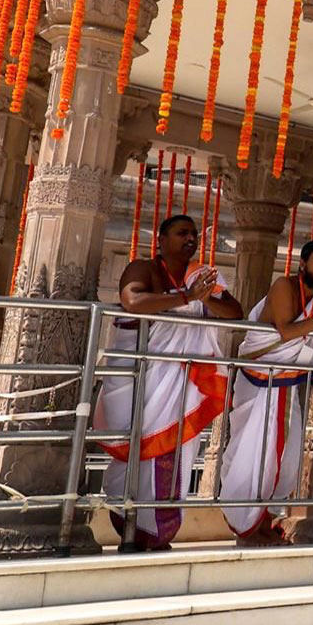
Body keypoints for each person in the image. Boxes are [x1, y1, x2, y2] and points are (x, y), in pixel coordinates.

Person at [96, 214, 244, 551]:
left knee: (176, 454)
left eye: (193, 234)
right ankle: (131, 528)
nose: (190, 239)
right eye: (181, 233)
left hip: (180, 385)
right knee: (137, 447)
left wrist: (204, 297)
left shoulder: (201, 276)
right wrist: (186, 297)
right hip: (143, 379)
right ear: (161, 239)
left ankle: (157, 533)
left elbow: (235, 313)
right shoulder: (142, 268)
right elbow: (132, 300)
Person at [219, 239, 313, 544]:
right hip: (259, 378)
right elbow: (286, 331)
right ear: (302, 265)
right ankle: (246, 524)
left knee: (284, 455)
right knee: (254, 452)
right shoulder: (285, 286)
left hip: (287, 382)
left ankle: (264, 521)